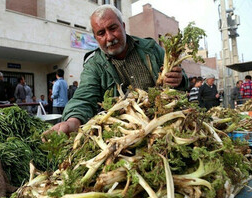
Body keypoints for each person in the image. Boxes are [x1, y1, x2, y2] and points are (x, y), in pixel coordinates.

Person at [48, 5, 188, 134]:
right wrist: (73, 121)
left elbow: (182, 80)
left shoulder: (151, 49)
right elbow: (84, 98)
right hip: (123, 136)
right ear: (96, 37)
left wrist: (179, 79)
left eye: (113, 28)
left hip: (164, 126)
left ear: (123, 26)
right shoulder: (94, 66)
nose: (109, 37)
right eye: (101, 33)